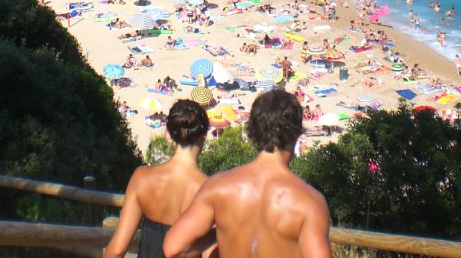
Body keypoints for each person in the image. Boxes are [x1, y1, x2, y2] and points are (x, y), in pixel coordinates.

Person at [164, 89, 331, 258]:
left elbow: (174, 247)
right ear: (296, 133)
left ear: (253, 131)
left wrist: (223, 232)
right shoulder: (309, 202)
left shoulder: (218, 187)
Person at [103, 100, 210, 258]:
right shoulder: (209, 189)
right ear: (203, 137)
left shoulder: (142, 178)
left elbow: (117, 250)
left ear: (168, 134)